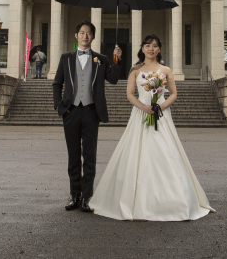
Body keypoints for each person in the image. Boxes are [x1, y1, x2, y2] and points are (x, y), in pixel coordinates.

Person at [89, 34, 214, 221]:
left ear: (159, 49)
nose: (151, 49)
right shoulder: (135, 70)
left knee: (166, 152)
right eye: (147, 45)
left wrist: (160, 107)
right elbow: (130, 94)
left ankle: (173, 201)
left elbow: (173, 94)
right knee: (136, 154)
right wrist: (144, 107)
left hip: (161, 116)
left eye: (155, 46)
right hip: (140, 114)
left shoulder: (166, 70)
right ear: (142, 48)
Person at [53, 21, 122, 212]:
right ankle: (74, 195)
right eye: (81, 32)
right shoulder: (66, 58)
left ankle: (87, 197)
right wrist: (60, 107)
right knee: (73, 156)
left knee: (89, 156)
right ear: (76, 36)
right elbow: (57, 83)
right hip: (71, 111)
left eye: (88, 33)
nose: (85, 36)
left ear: (93, 37)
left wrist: (116, 60)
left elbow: (114, 80)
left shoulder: (101, 59)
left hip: (91, 112)